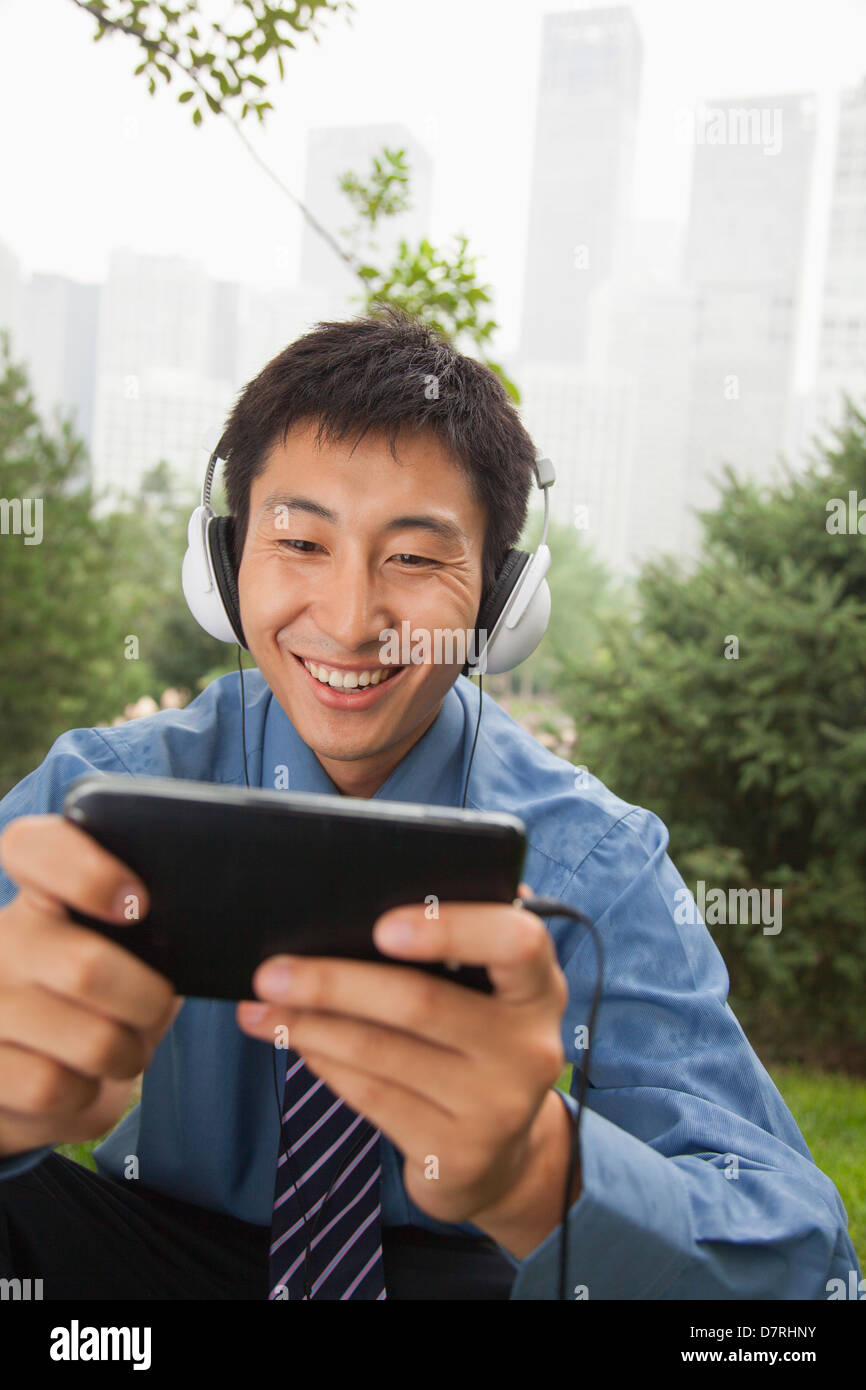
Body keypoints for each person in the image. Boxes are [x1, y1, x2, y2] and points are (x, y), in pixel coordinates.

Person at [0, 307, 859, 1300]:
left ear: (500, 601)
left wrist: (536, 1167)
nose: (353, 620)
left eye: (413, 557)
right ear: (224, 568)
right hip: (151, 1262)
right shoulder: (96, 793)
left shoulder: (595, 863)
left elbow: (808, 1281)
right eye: (300, 543)